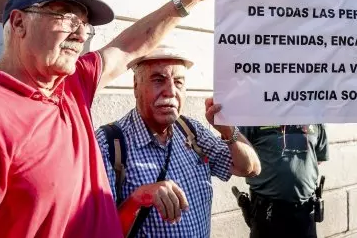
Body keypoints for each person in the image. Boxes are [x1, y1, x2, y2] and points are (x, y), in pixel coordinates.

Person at [0, 0, 223, 238]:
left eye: (84, 24)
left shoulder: (73, 84)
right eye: (65, 18)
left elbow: (132, 44)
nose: (80, 34)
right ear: (20, 23)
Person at [95, 44, 261, 237]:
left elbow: (250, 168)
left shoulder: (191, 131)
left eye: (179, 82)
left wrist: (227, 130)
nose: (171, 91)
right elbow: (98, 230)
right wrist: (138, 199)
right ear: (136, 85)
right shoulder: (109, 144)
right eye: (158, 80)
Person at [239, 123, 328, 238]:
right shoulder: (254, 116)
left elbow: (318, 158)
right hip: (267, 213)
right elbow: (238, 153)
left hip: (305, 212)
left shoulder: (315, 116)